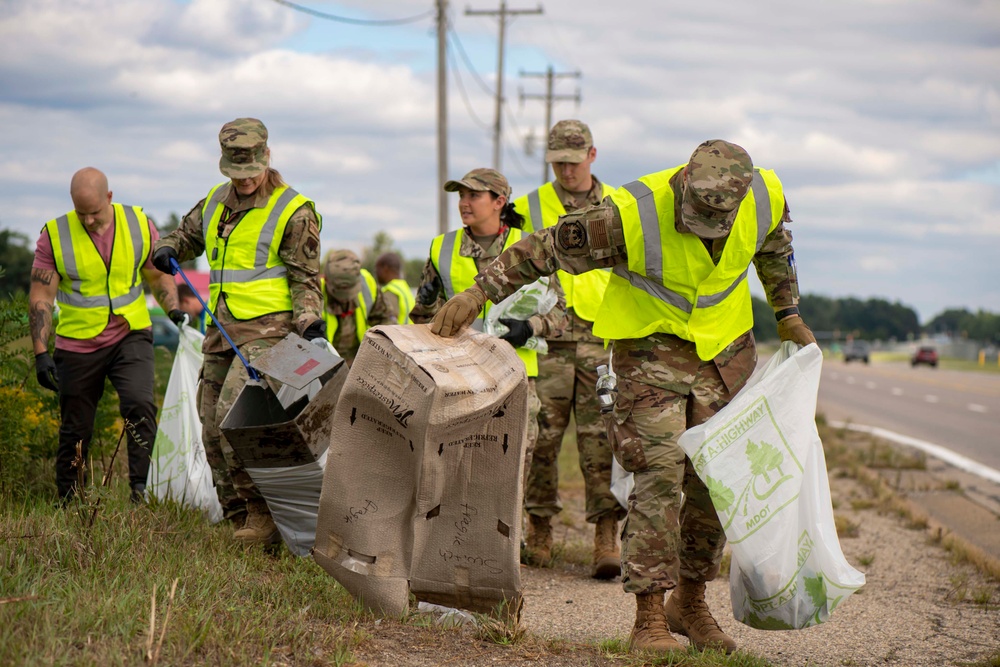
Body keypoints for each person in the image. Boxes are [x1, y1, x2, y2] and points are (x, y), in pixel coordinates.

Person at [429, 140, 817, 655]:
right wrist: (478, 293)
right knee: (658, 474)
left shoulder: (764, 194)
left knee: (713, 482)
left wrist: (787, 312)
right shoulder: (632, 212)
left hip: (725, 353)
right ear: (681, 187)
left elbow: (773, 249)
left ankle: (691, 601)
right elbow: (543, 247)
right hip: (649, 350)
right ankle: (650, 618)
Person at [151, 117, 326, 544]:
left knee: (236, 422)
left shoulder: (294, 209)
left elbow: (306, 280)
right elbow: (186, 235)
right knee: (209, 425)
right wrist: (168, 247)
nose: (244, 181)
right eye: (235, 173)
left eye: (250, 172)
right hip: (221, 332)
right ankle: (239, 519)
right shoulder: (214, 201)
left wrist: (311, 324)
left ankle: (262, 516)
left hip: (271, 335)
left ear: (267, 157)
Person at [29, 167, 180, 503]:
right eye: (81, 213)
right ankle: (70, 498)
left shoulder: (139, 224)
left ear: (109, 198)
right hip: (78, 342)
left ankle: (142, 490)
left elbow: (156, 276)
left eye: (95, 213)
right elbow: (41, 296)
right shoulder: (54, 235)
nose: (88, 221)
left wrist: (173, 310)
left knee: (140, 404)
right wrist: (41, 353)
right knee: (76, 426)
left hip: (131, 332)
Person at [513, 119, 624, 578]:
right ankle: (539, 530)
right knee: (541, 438)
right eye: (557, 162)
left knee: (602, 442)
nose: (566, 171)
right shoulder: (528, 206)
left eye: (573, 162)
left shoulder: (618, 205)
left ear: (592, 156)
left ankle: (606, 538)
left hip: (602, 337)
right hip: (546, 341)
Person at [410, 168, 567, 489]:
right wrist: (427, 304)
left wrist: (529, 326)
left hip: (514, 375)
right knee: (454, 468)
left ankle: (512, 539)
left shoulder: (528, 249)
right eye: (461, 196)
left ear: (499, 202)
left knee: (511, 468)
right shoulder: (441, 247)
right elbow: (421, 319)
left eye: (473, 195)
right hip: (456, 378)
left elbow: (561, 316)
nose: (464, 203)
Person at [322, 248, 395, 366]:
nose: (344, 299)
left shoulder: (367, 284)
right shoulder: (315, 293)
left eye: (348, 293)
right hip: (327, 365)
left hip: (360, 363)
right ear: (326, 280)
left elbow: (386, 321)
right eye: (340, 293)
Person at [374, 251, 414, 324]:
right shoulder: (404, 288)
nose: (376, 273)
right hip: (409, 334)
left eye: (377, 269)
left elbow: (388, 323)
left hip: (396, 335)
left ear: (385, 269)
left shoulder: (390, 291)